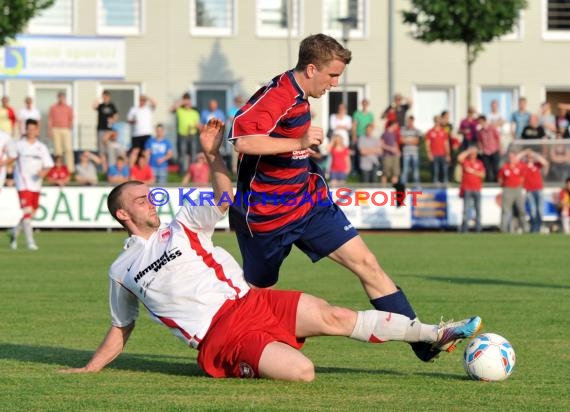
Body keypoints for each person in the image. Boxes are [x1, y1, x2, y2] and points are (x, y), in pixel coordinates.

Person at [60, 119, 482, 381]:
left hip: (252, 302)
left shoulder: (183, 224)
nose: (149, 201)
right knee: (303, 373)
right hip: (218, 336)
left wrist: (212, 156)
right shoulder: (122, 268)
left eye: (149, 195)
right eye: (138, 199)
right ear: (121, 214)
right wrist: (90, 369)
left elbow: (226, 198)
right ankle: (239, 364)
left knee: (334, 315)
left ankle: (434, 333)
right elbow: (121, 327)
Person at [229, 33, 454, 363]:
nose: (335, 83)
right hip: (267, 216)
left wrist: (301, 147)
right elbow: (243, 139)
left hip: (309, 203)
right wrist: (298, 141)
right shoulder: (277, 95)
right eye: (332, 75)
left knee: (367, 264)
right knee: (258, 293)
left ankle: (421, 341)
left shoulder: (301, 97)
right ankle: (241, 347)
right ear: (310, 69)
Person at [7, 119, 53, 250]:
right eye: (29, 129)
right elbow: (12, 160)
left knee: (32, 213)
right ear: (25, 130)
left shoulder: (41, 147)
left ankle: (14, 231)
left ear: (37, 131)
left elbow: (49, 165)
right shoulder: (19, 145)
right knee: (27, 211)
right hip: (23, 183)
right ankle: (30, 242)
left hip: (36, 184)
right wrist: (9, 176)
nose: (31, 131)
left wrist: (43, 173)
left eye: (34, 129)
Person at [171, 93, 201, 174]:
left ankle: (193, 172)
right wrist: (182, 101)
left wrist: (197, 126)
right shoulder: (180, 110)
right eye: (185, 100)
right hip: (182, 135)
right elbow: (172, 109)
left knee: (193, 154)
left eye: (188, 100)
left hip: (193, 135)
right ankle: (182, 172)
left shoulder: (195, 112)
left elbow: (198, 124)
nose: (187, 102)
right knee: (182, 153)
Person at [498, 151, 527, 233]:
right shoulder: (504, 167)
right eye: (510, 157)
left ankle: (525, 228)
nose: (511, 159)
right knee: (506, 210)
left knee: (521, 209)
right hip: (508, 189)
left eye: (513, 157)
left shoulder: (520, 166)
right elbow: (500, 179)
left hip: (517, 189)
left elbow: (522, 178)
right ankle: (503, 229)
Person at [457, 147, 485, 233]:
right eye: (471, 154)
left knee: (478, 209)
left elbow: (483, 175)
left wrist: (472, 171)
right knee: (466, 209)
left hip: (477, 188)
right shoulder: (466, 162)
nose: (472, 155)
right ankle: (465, 228)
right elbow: (459, 158)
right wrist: (468, 151)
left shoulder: (479, 163)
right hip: (467, 188)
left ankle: (478, 228)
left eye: (474, 153)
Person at [521, 149, 549, 233]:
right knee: (532, 210)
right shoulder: (524, 166)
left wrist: (534, 154)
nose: (530, 159)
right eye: (528, 157)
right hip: (529, 190)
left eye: (531, 158)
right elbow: (516, 159)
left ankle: (539, 226)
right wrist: (525, 152)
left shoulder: (537, 165)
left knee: (540, 209)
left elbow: (545, 162)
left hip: (539, 189)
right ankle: (534, 228)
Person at [48, 92, 75, 173]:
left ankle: (70, 170)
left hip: (65, 129)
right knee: (57, 150)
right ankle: (58, 169)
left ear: (65, 98)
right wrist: (49, 130)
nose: (61, 99)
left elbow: (71, 118)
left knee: (68, 149)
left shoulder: (68, 108)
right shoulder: (53, 107)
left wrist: (70, 128)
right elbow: (50, 119)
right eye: (60, 97)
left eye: (63, 97)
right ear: (58, 98)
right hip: (56, 129)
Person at [127, 95, 156, 164]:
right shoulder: (134, 109)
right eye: (141, 100)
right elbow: (129, 120)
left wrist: (148, 98)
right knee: (135, 151)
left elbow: (155, 103)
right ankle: (131, 169)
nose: (142, 102)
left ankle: (145, 169)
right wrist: (133, 122)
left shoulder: (148, 108)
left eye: (143, 100)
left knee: (146, 152)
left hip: (146, 133)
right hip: (136, 134)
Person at [425, 115, 450, 185]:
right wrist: (429, 153)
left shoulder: (444, 131)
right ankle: (435, 182)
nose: (437, 122)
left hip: (443, 154)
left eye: (439, 121)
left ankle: (445, 182)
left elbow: (446, 143)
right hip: (434, 154)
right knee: (435, 170)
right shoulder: (430, 131)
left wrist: (448, 154)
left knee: (444, 169)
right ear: (434, 121)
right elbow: (427, 144)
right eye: (436, 121)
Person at [93, 90, 118, 158]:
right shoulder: (101, 106)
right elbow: (94, 106)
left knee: (109, 148)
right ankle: (104, 167)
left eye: (107, 96)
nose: (105, 98)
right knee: (101, 150)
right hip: (101, 129)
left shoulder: (112, 106)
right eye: (104, 96)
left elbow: (116, 116)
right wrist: (99, 98)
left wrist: (112, 120)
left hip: (108, 130)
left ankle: (110, 164)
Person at [476, 115, 501, 182]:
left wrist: (499, 148)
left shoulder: (492, 128)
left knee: (495, 168)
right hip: (485, 152)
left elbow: (498, 138)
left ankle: (497, 182)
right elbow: (480, 141)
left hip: (494, 150)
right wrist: (481, 148)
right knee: (487, 168)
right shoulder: (480, 131)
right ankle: (489, 182)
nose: (480, 123)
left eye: (481, 122)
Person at [400, 115, 422, 186]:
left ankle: (417, 186)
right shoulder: (403, 130)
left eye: (411, 121)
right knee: (405, 170)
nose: (410, 123)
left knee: (416, 170)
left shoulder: (416, 130)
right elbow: (401, 140)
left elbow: (417, 141)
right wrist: (412, 140)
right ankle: (403, 187)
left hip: (414, 153)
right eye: (409, 121)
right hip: (406, 152)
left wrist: (407, 140)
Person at [380, 120, 400, 186]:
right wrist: (390, 149)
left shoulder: (394, 134)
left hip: (394, 156)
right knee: (385, 173)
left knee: (395, 173)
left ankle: (395, 188)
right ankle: (384, 189)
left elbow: (395, 143)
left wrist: (397, 151)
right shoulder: (385, 133)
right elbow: (381, 144)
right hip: (387, 155)